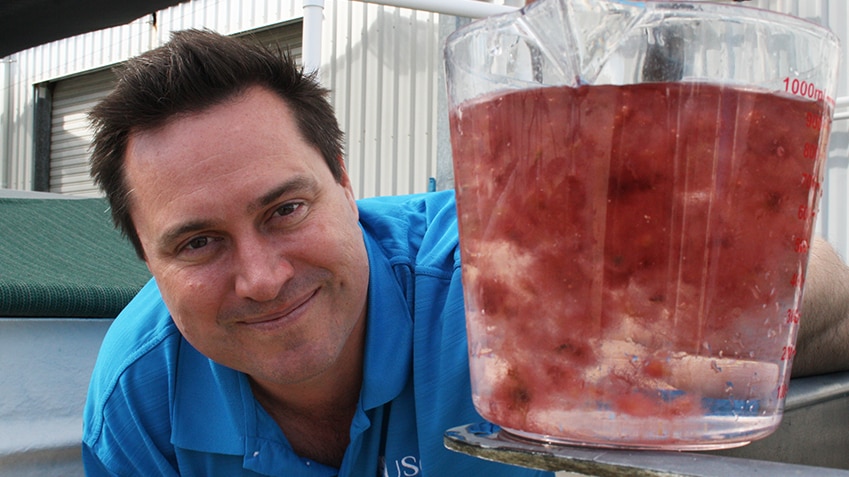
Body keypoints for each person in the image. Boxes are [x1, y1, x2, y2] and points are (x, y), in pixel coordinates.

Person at [82, 29, 849, 476]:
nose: (262, 276)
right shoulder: (139, 396)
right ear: (146, 260)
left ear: (346, 186)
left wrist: (682, 279)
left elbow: (828, 306)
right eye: (197, 242)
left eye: (285, 209)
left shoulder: (503, 270)